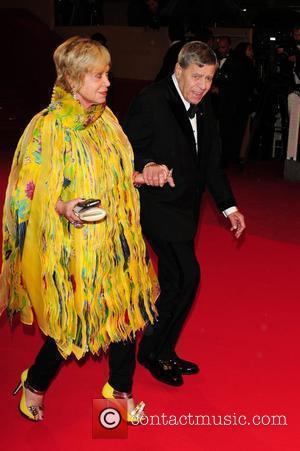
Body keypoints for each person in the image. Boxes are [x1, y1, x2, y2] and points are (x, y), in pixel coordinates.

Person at [0, 36, 159, 421]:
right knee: (73, 326)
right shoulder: (47, 127)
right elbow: (27, 190)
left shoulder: (106, 121)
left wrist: (141, 176)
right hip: (71, 245)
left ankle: (119, 391)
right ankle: (35, 384)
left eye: (107, 74)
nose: (107, 83)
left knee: (124, 314)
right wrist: (62, 206)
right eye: (98, 76)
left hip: (115, 238)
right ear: (73, 80)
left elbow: (117, 176)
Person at [124, 41, 245, 387]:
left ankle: (162, 348)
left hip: (186, 211)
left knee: (177, 281)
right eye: (196, 76)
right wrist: (147, 165)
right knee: (186, 276)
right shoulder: (150, 100)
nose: (202, 86)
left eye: (208, 78)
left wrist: (229, 207)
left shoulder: (204, 106)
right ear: (178, 70)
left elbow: (210, 163)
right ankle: (152, 351)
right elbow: (129, 149)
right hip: (157, 206)